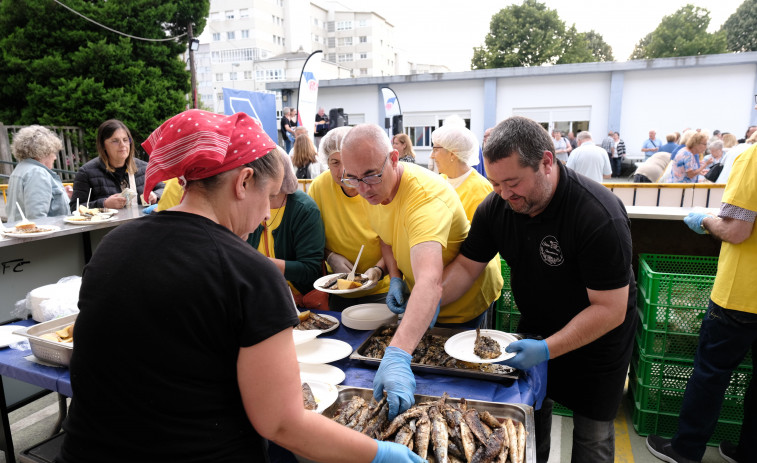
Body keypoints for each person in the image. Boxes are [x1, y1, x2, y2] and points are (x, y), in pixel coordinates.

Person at [57, 110, 421, 463]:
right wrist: (378, 454)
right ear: (244, 181)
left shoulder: (114, 245)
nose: (267, 214)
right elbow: (281, 422)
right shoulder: (250, 274)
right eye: (269, 196)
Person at [440, 116, 637, 463]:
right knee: (530, 420)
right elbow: (466, 268)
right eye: (496, 183)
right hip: (536, 328)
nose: (504, 194)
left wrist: (548, 349)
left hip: (598, 341)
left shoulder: (598, 215)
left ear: (547, 162)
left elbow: (610, 309)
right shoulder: (497, 206)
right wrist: (426, 303)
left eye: (513, 182)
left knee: (593, 438)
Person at [340, 124, 503, 420]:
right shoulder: (372, 190)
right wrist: (397, 279)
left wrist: (399, 354)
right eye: (352, 178)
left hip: (464, 296)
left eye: (371, 176)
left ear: (393, 158)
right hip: (424, 294)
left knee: (457, 392)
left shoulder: (425, 198)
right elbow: (386, 239)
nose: (362, 188)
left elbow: (430, 280)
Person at [646, 145, 757, 463]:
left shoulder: (753, 159)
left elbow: (736, 231)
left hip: (742, 297)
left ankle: (686, 448)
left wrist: (706, 219)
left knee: (711, 374)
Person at [308, 126, 391, 311]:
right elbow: (310, 239)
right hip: (337, 288)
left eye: (347, 160)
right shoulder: (318, 188)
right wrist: (330, 256)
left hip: (379, 290)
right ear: (325, 162)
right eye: (334, 162)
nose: (342, 170)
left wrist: (378, 269)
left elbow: (395, 239)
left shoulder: (377, 186)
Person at [247, 148, 326, 308]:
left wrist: (258, 263)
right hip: (262, 299)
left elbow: (310, 269)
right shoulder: (247, 206)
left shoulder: (303, 209)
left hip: (302, 302)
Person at [69, 119, 162, 211]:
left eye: (125, 140)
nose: (122, 145)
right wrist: (104, 204)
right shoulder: (86, 173)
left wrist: (156, 195)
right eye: (115, 141)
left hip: (142, 224)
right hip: (108, 226)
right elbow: (75, 208)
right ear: (103, 145)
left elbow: (163, 189)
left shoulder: (145, 167)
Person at [5, 125, 71, 222]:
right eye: (53, 152)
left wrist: (63, 195)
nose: (55, 157)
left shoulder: (21, 169)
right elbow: (37, 217)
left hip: (19, 231)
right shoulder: (37, 172)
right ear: (44, 152)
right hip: (45, 235)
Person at [430, 122, 491, 221]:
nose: (432, 156)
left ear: (453, 154)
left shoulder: (481, 190)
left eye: (436, 150)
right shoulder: (439, 182)